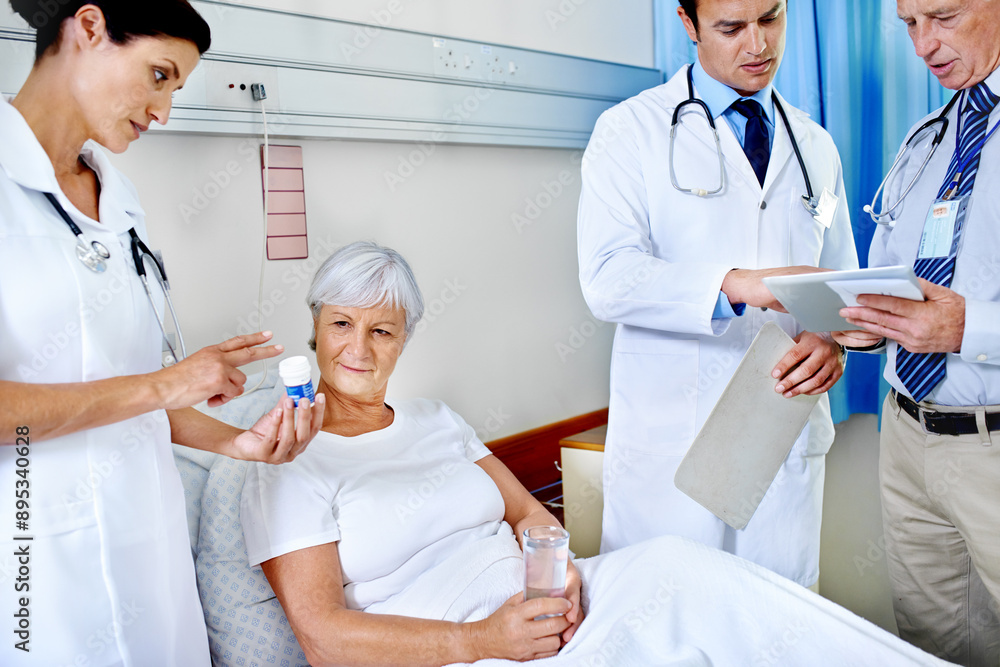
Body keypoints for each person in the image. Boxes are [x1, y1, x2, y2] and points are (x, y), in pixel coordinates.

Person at [239, 242, 948, 667]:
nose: (360, 348)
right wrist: (483, 635)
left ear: (405, 339)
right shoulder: (287, 458)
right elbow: (324, 638)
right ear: (315, 328)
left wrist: (557, 580)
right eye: (341, 324)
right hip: (465, 646)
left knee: (691, 573)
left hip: (552, 604)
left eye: (383, 330)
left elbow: (531, 518)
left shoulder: (433, 420)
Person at [0, 2, 324, 664]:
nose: (164, 110)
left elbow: (148, 404)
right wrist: (168, 381)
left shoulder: (121, 206)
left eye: (175, 89)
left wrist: (240, 442)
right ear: (88, 28)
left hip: (151, 554)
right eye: (158, 75)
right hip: (38, 566)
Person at [576, 0, 859, 587]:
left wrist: (833, 341)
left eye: (772, 19)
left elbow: (839, 287)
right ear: (688, 23)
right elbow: (607, 277)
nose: (758, 45)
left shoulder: (814, 146)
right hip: (673, 437)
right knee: (667, 625)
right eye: (731, 28)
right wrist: (732, 285)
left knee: (779, 630)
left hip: (780, 428)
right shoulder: (630, 131)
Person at [834, 1, 1000, 663]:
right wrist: (865, 324)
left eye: (944, 15)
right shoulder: (928, 139)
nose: (923, 44)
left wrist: (969, 326)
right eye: (908, 24)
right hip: (905, 439)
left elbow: (955, 317)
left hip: (992, 444)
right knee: (935, 648)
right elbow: (895, 277)